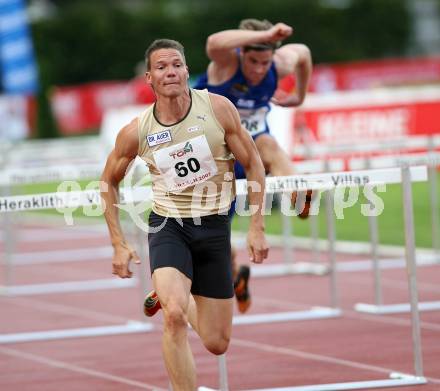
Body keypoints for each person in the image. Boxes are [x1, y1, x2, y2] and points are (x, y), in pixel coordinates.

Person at [100, 38, 268, 391]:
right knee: (174, 317)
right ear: (149, 77)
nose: (170, 71)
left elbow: (253, 163)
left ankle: (177, 293)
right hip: (168, 225)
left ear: (187, 71)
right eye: (161, 67)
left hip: (215, 226)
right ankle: (172, 298)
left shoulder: (218, 109)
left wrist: (257, 228)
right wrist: (117, 243)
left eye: (176, 64)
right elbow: (108, 182)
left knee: (216, 343)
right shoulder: (138, 131)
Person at [194, 19, 313, 314]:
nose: (260, 69)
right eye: (253, 61)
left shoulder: (279, 63)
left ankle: (298, 190)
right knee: (213, 244)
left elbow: (304, 53)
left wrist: (300, 93)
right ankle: (236, 277)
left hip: (253, 152)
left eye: (265, 61)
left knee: (268, 144)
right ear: (240, 53)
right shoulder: (225, 65)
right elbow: (212, 42)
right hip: (215, 159)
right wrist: (266, 34)